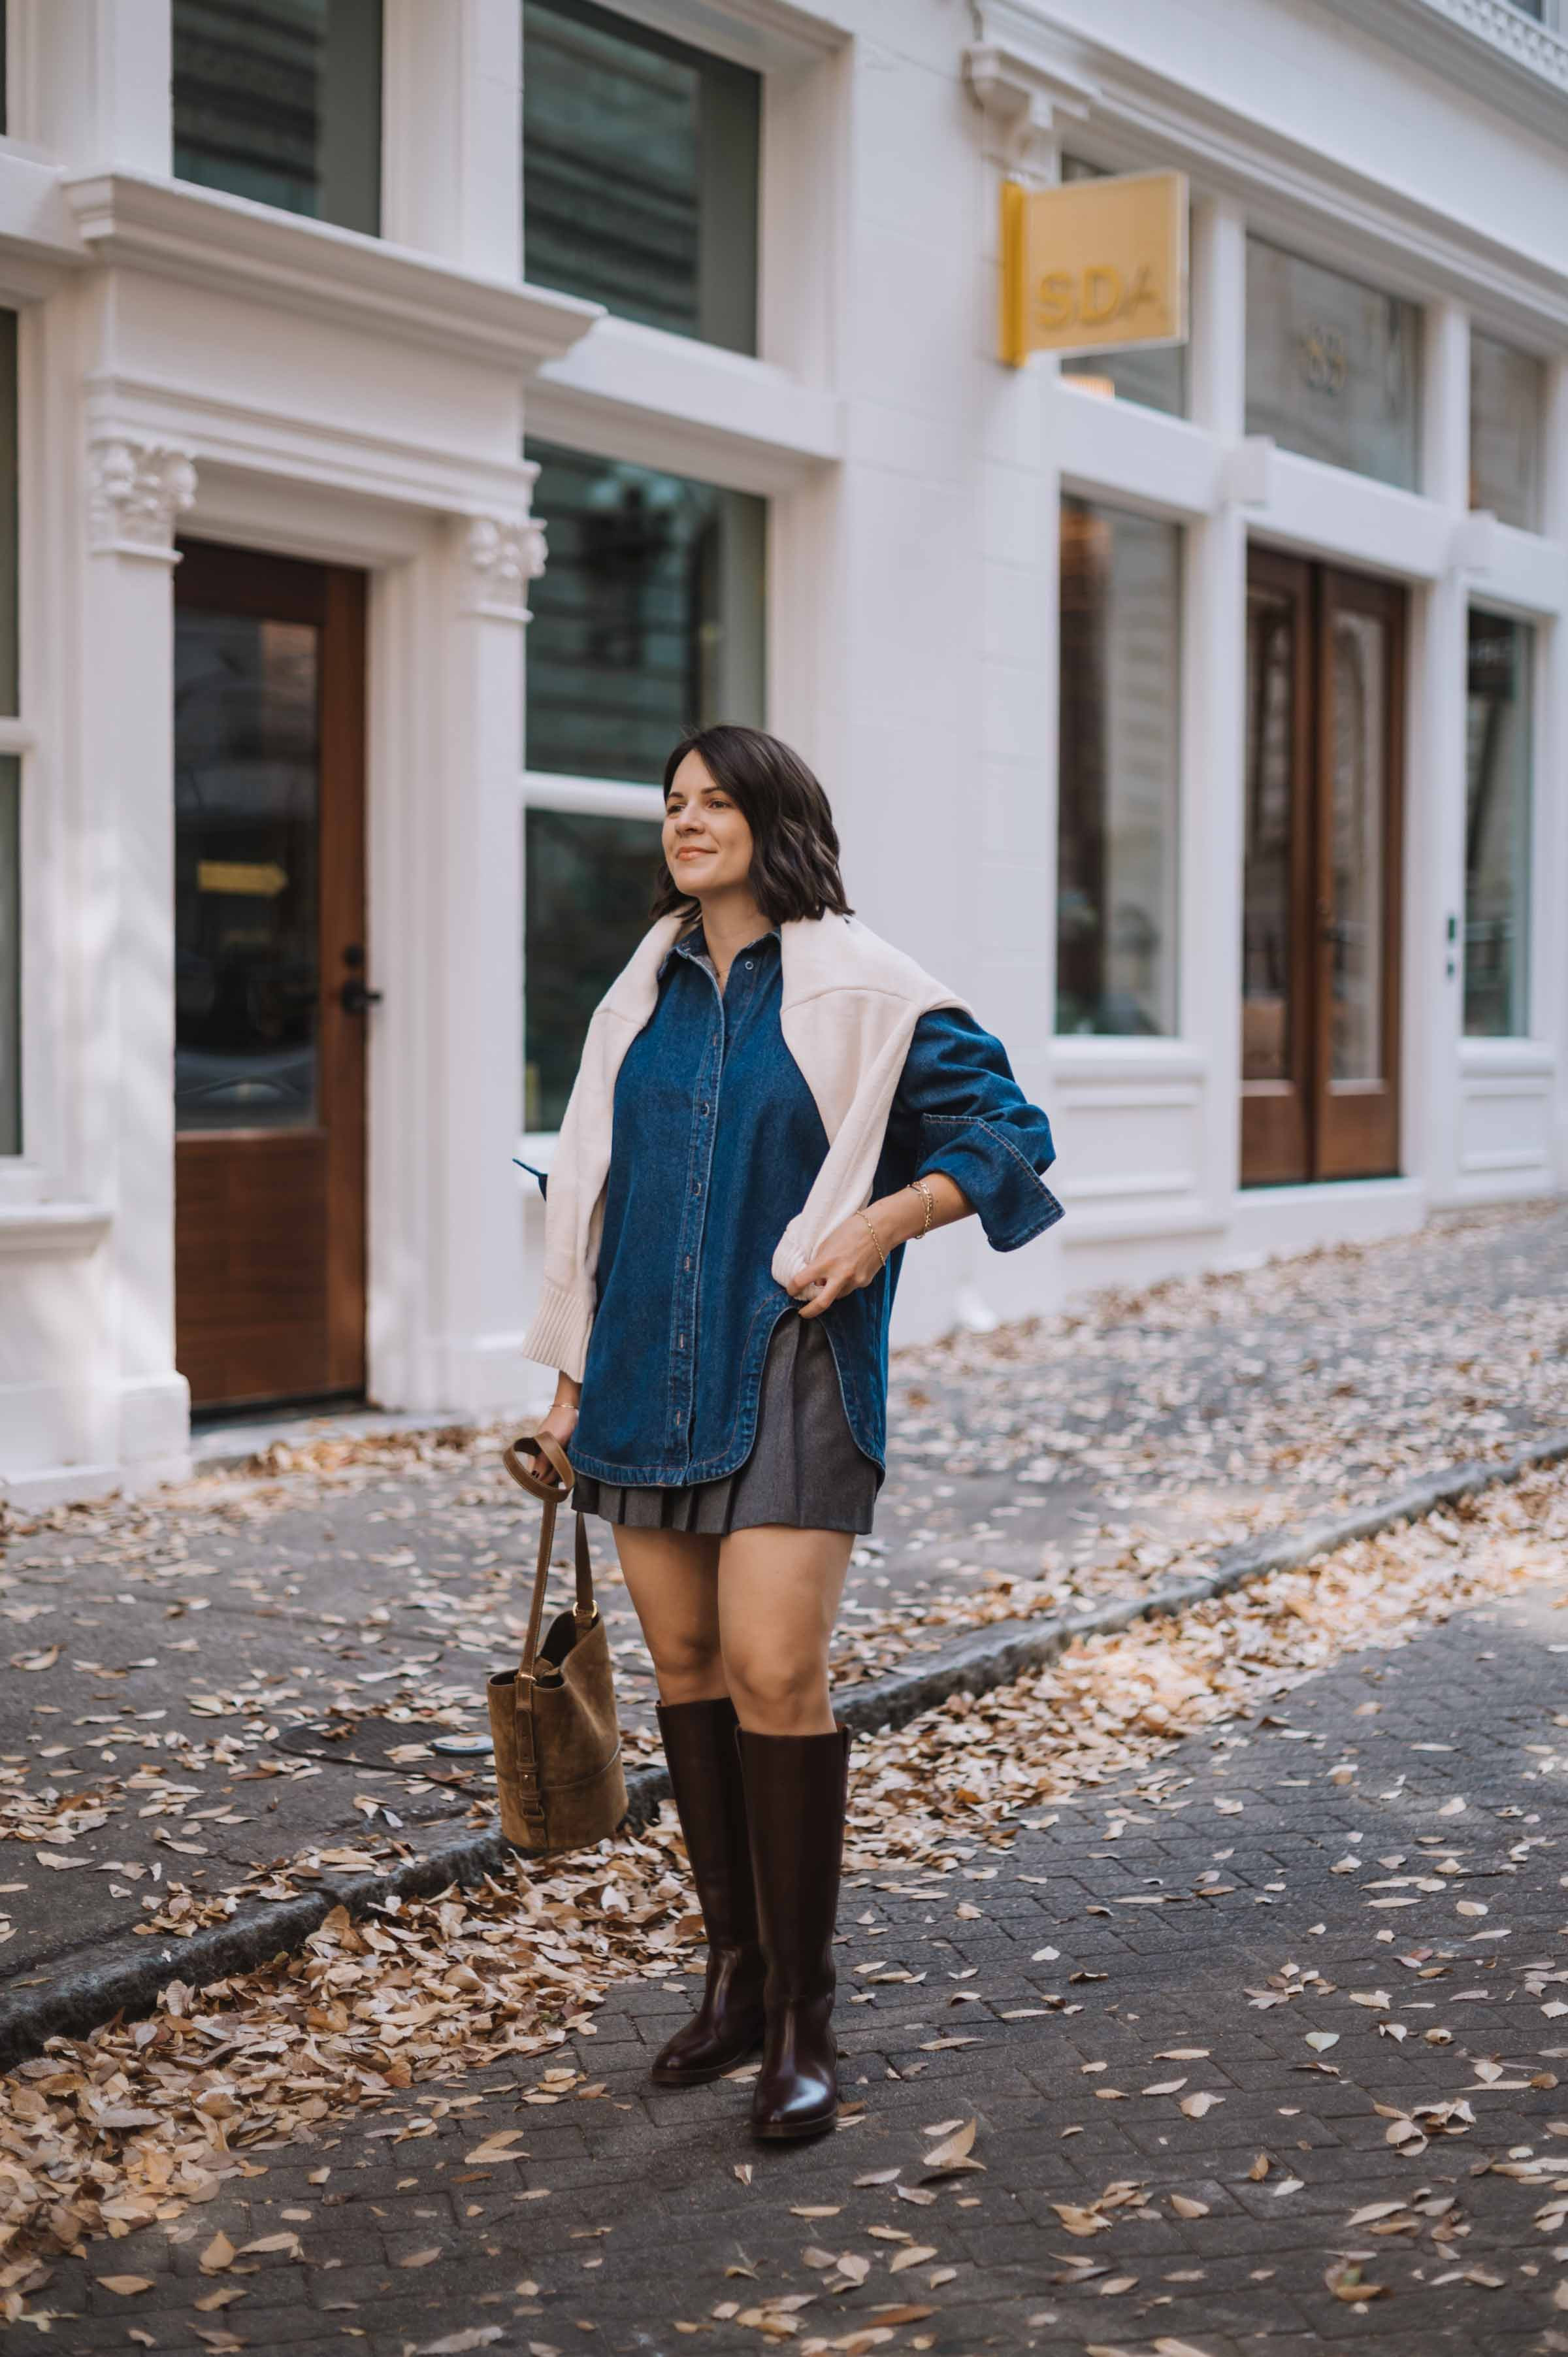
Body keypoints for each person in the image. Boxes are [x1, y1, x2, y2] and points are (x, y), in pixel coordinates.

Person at [519, 723, 1062, 2142]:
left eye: (715, 802)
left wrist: (886, 1221)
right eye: (673, 804)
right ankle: (739, 1978)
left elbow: (1008, 1134)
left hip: (790, 1365)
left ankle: (810, 2014)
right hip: (637, 1371)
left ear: (777, 818)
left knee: (774, 1663)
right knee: (687, 1671)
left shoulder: (868, 987)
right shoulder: (635, 994)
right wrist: (566, 1389)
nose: (687, 822)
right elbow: (591, 1194)